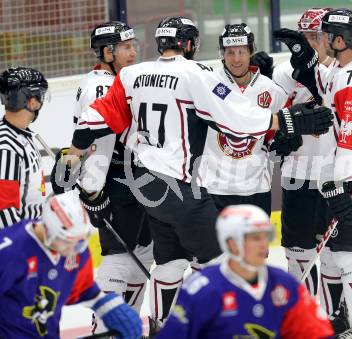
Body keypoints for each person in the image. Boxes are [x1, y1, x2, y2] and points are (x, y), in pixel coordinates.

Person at [52, 16, 333, 326]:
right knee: (230, 262)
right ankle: (212, 329)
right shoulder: (196, 74)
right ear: (189, 44)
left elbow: (93, 119)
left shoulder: (133, 73)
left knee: (170, 261)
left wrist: (72, 157)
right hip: (176, 188)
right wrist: (288, 121)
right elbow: (236, 120)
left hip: (143, 184)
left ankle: (161, 328)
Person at [275, 8, 352, 338]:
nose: (321, 39)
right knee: (333, 256)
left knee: (349, 256)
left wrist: (335, 184)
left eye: (325, 35)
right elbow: (328, 87)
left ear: (340, 40)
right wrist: (307, 68)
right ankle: (341, 319)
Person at [50, 21, 154, 334]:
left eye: (133, 45)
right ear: (108, 52)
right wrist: (93, 193)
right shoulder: (102, 85)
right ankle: (105, 328)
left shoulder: (115, 79)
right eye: (125, 47)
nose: (133, 52)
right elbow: (97, 145)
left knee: (144, 251)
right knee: (118, 256)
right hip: (115, 183)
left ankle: (126, 323)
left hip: (131, 180)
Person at [157, 204, 334, 339]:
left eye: (266, 236)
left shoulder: (283, 285)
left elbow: (317, 333)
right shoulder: (201, 289)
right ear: (232, 243)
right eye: (255, 238)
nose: (263, 244)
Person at [0, 191, 142, 339]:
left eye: (79, 241)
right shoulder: (9, 252)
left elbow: (81, 288)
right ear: (48, 231)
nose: (74, 249)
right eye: (68, 241)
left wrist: (107, 306)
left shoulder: (75, 249)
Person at [270, 7, 336, 299]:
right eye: (306, 36)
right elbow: (272, 117)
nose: (311, 42)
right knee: (298, 255)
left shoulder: (343, 72)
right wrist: (281, 135)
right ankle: (304, 323)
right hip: (297, 175)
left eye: (316, 36)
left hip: (335, 177)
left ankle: (338, 318)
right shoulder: (285, 72)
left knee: (338, 258)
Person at [198, 23, 290, 216]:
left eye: (242, 51)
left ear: (252, 52)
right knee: (218, 247)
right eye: (230, 52)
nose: (236, 59)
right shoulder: (208, 84)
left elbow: (282, 127)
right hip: (215, 188)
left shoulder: (271, 89)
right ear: (222, 53)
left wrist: (282, 139)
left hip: (256, 189)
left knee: (255, 247)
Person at [0, 67, 48, 228]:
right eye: (41, 96)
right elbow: (5, 211)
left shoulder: (22, 134)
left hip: (34, 231)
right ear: (32, 102)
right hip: (23, 241)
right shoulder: (7, 148)